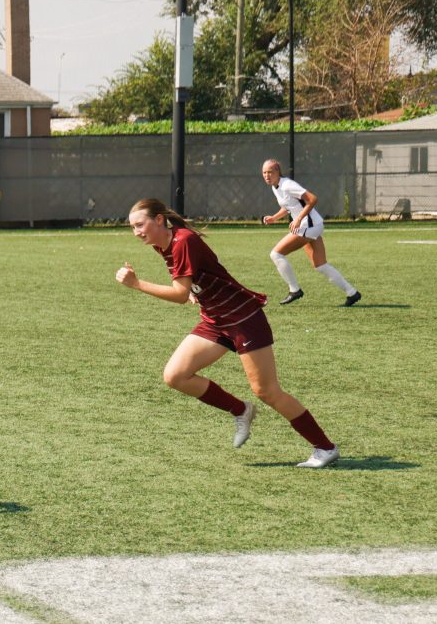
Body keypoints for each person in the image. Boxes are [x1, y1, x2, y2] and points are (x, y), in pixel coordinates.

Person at [115, 198, 340, 468]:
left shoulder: (182, 240)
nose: (137, 232)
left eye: (141, 224)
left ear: (159, 220)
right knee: (175, 375)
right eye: (133, 227)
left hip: (244, 318)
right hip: (215, 319)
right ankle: (240, 410)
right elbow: (198, 275)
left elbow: (178, 293)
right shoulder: (162, 243)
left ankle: (325, 448)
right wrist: (196, 291)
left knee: (267, 391)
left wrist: (137, 284)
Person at [261, 159, 360, 307]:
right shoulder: (276, 187)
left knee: (276, 254)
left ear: (277, 171)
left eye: (270, 172)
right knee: (320, 265)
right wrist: (274, 218)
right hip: (313, 225)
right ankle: (352, 293)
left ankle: (294, 290)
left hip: (309, 226)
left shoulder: (287, 185)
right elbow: (288, 207)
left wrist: (299, 219)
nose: (267, 175)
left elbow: (312, 199)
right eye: (264, 173)